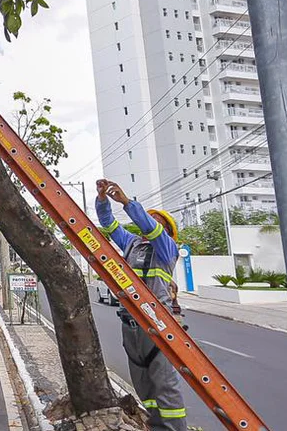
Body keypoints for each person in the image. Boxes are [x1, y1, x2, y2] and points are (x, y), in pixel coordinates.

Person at [96, 179, 187, 431]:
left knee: (165, 385)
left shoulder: (167, 249)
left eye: (158, 223)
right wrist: (103, 200)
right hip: (132, 325)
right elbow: (109, 225)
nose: (150, 226)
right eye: (150, 220)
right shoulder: (133, 244)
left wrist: (126, 202)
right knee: (144, 384)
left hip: (158, 323)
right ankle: (156, 425)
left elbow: (150, 227)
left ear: (166, 230)